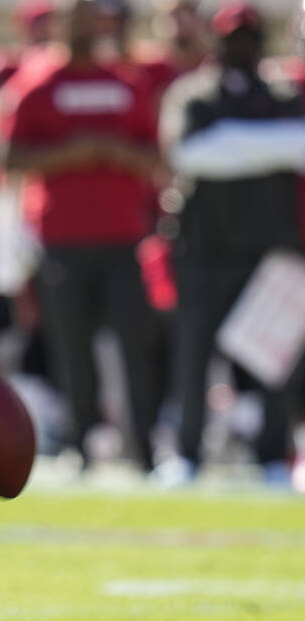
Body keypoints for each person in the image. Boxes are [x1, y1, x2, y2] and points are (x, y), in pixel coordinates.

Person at [0, 0, 162, 472]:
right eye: (78, 15)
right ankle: (80, 445)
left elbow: (156, 157)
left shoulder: (128, 84)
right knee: (72, 347)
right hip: (61, 237)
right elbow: (8, 158)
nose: (88, 25)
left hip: (125, 236)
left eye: (94, 15)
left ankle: (144, 450)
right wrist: (74, 152)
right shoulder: (37, 82)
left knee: (135, 346)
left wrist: (115, 152)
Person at [156, 3, 305, 484]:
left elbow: (298, 147)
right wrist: (266, 145)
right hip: (204, 249)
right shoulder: (193, 93)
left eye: (249, 37)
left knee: (273, 358)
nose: (241, 48)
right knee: (193, 354)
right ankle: (187, 454)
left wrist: (229, 141)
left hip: (269, 249)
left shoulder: (284, 92)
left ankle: (272, 456)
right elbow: (188, 153)